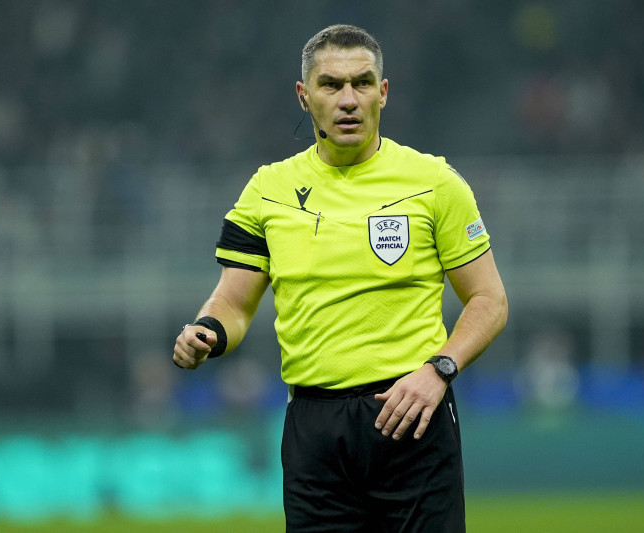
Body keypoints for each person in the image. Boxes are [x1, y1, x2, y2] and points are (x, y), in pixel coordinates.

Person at [172, 24, 508, 532]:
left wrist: (439, 370)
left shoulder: (435, 181)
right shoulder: (267, 189)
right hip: (315, 430)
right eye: (331, 85)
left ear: (384, 92)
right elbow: (234, 304)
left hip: (412, 411)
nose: (348, 99)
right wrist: (209, 332)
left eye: (363, 83)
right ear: (304, 97)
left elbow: (489, 299)